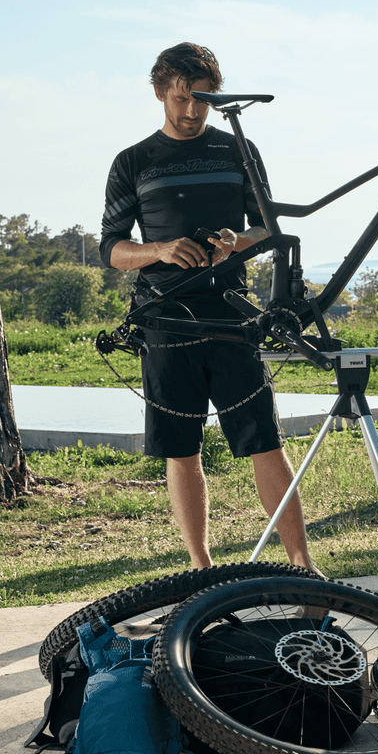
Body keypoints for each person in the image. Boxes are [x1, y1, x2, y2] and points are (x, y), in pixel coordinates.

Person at [99, 42, 316, 571]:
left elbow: (267, 228)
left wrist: (235, 243)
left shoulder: (237, 150)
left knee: (264, 441)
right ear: (160, 93)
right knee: (182, 448)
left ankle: (303, 565)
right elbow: (111, 248)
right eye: (181, 99)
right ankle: (201, 570)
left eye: (203, 99)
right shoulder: (133, 161)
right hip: (164, 318)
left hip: (231, 314)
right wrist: (160, 250)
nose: (193, 111)